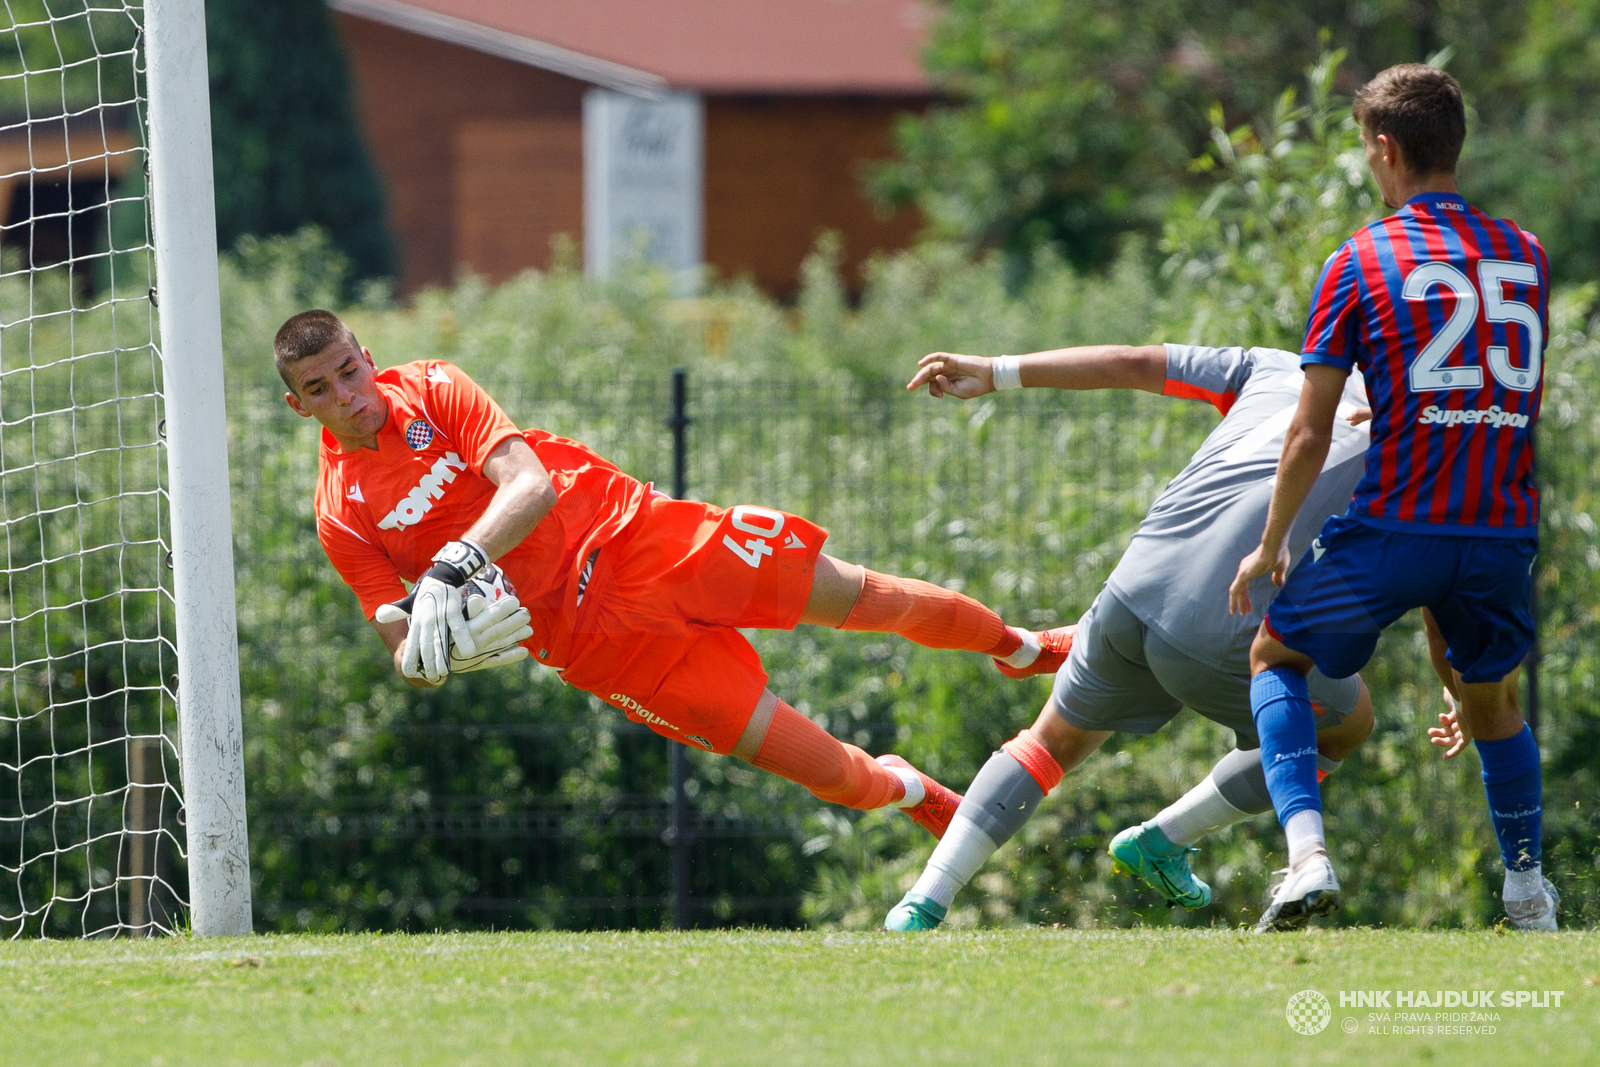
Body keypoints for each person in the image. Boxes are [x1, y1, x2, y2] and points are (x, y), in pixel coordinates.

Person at [274, 309, 1076, 842]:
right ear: (297, 404)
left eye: (350, 370)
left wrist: (454, 563)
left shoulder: (436, 387)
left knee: (864, 597)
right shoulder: (340, 513)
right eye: (322, 388)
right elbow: (402, 647)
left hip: (640, 538)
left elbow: (529, 485)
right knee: (826, 770)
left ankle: (1021, 647)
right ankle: (909, 791)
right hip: (595, 645)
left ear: (367, 355)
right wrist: (434, 656)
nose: (349, 395)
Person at [883, 338, 1387, 932]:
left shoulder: (1268, 365)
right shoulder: (1414, 434)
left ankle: (922, 902)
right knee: (1349, 725)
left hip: (1131, 587)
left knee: (1048, 743)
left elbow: (1131, 361)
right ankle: (1164, 839)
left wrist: (994, 371)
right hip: (1220, 626)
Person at [1229, 64, 1556, 931]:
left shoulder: (1359, 260)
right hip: (1498, 525)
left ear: (1384, 150)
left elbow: (1308, 432)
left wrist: (1269, 545)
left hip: (1396, 524)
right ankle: (1527, 891)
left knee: (1275, 655)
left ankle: (1306, 859)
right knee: (1491, 700)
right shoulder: (1526, 255)